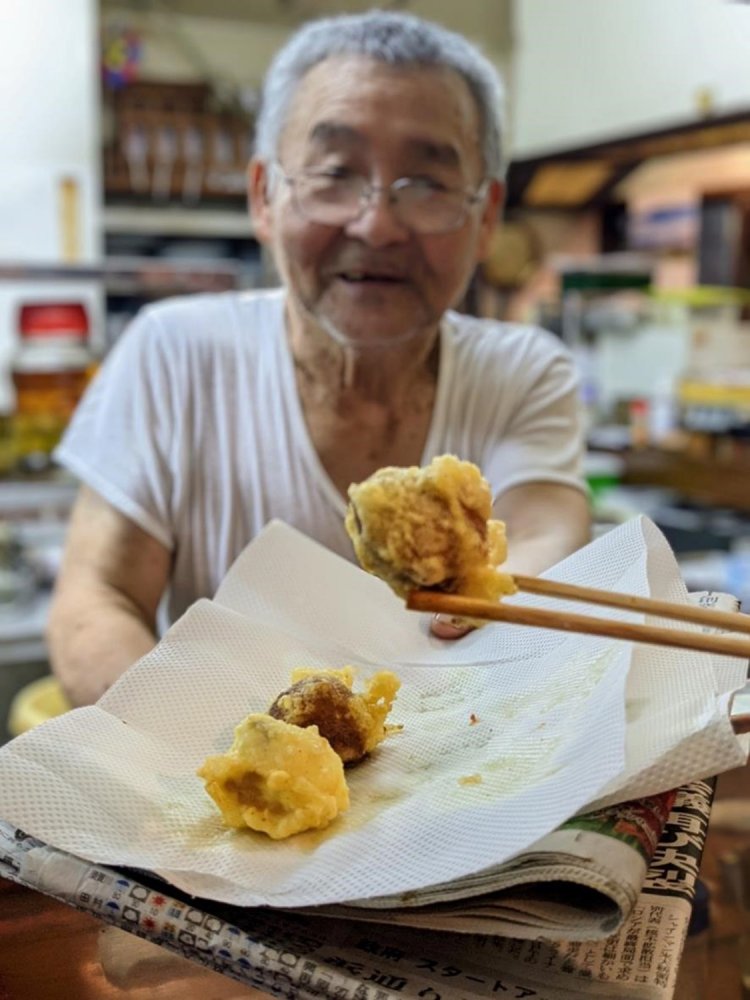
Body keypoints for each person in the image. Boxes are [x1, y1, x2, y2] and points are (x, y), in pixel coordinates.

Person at [47, 9, 590, 707]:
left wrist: (493, 594)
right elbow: (98, 598)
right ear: (264, 197)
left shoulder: (523, 372)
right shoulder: (172, 354)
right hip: (214, 786)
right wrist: (200, 743)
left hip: (469, 768)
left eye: (424, 184)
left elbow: (546, 537)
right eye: (335, 173)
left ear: (485, 217)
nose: (376, 223)